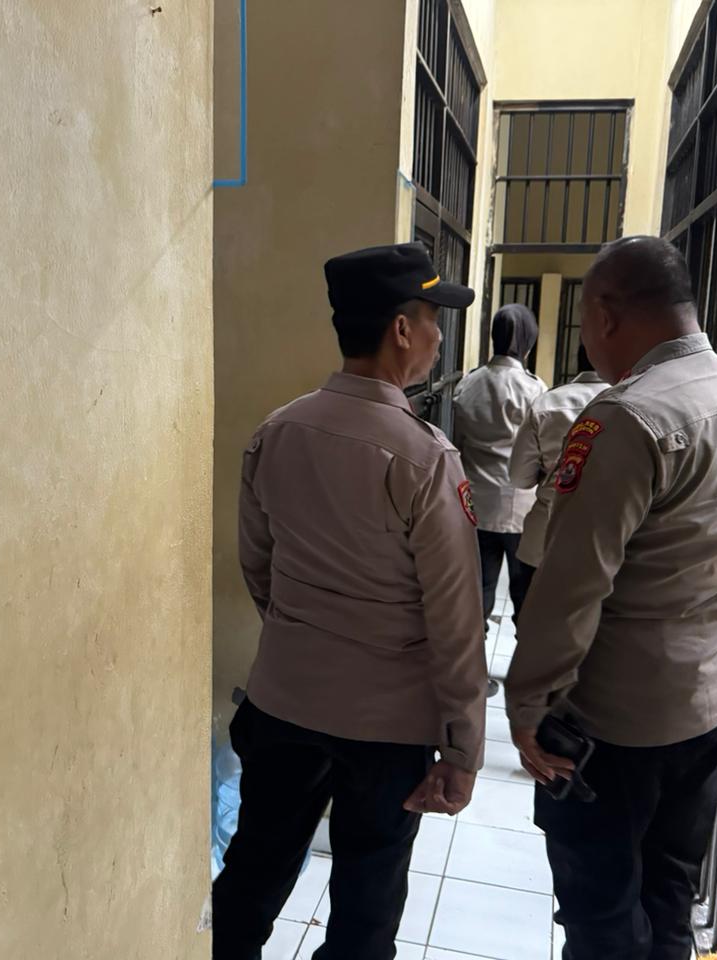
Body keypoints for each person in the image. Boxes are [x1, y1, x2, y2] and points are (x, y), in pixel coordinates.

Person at [212, 242, 487, 960]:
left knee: (253, 873)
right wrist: (462, 748)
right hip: (386, 730)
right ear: (401, 329)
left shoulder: (277, 431)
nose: (437, 338)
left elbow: (259, 566)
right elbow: (456, 620)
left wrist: (306, 638)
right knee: (365, 908)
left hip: (283, 702)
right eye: (432, 320)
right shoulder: (425, 458)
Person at [504, 236, 717, 960]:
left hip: (624, 714)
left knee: (601, 915)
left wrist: (527, 705)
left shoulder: (626, 416)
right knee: (669, 895)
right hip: (715, 688)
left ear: (605, 313)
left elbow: (572, 582)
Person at [452, 304, 547, 632]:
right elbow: (539, 451)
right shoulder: (535, 389)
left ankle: (473, 657)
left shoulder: (468, 384)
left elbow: (458, 445)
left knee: (479, 589)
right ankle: (526, 656)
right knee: (525, 594)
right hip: (521, 508)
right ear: (528, 342)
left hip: (477, 504)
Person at [507, 344, 608, 607]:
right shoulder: (631, 405)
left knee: (531, 623)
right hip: (602, 549)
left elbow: (519, 477)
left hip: (542, 542)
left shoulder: (547, 403)